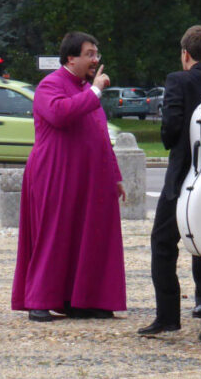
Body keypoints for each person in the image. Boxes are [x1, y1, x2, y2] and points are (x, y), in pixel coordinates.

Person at [11, 32, 127, 322]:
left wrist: (115, 175)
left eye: (96, 54)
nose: (95, 59)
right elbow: (60, 114)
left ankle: (80, 299)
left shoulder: (85, 89)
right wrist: (95, 92)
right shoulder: (50, 85)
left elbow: (100, 134)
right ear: (70, 58)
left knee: (86, 238)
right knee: (53, 234)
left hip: (86, 178)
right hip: (55, 174)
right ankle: (39, 299)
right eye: (89, 54)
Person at [139, 26, 201, 338]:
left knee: (163, 243)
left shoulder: (179, 80)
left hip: (184, 174)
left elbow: (170, 131)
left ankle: (168, 314)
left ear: (185, 54)